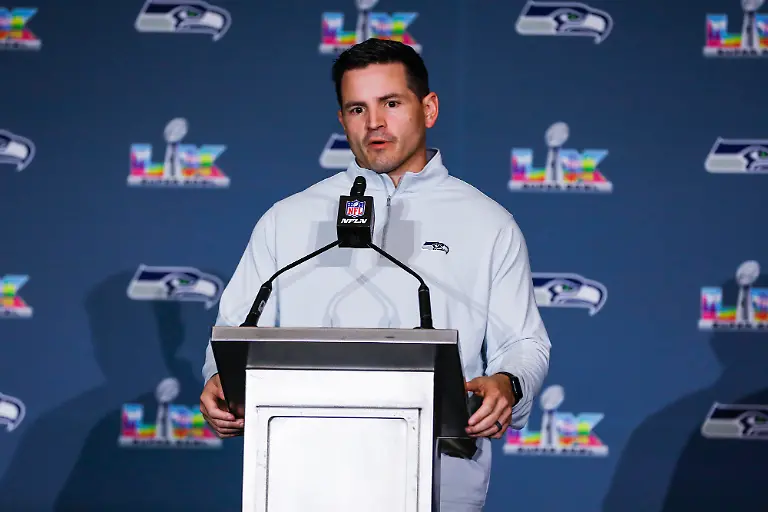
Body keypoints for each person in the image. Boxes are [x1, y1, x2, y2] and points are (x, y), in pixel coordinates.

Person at [199, 38, 551, 511]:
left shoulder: (487, 222)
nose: (375, 123)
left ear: (428, 108)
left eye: (391, 103)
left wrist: (508, 382)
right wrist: (221, 380)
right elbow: (235, 334)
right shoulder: (288, 218)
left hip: (437, 471)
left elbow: (524, 343)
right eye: (357, 109)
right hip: (301, 468)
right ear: (342, 120)